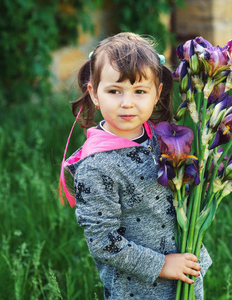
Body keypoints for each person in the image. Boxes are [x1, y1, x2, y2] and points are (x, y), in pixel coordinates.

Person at [60, 32, 212, 300]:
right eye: (114, 91)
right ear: (94, 93)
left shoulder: (162, 138)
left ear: (157, 93)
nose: (127, 103)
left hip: (184, 276)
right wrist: (163, 265)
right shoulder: (96, 166)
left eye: (139, 91)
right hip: (138, 290)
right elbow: (102, 241)